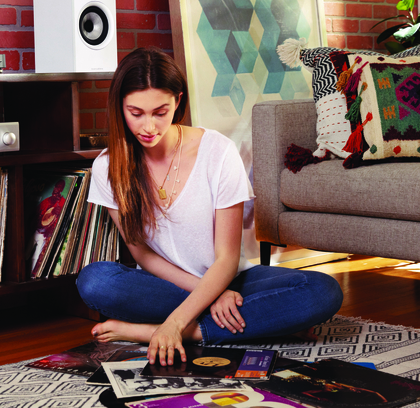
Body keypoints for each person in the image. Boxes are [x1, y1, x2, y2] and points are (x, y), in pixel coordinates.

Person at [76, 47, 343, 367]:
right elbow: (143, 256)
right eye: (136, 113)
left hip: (231, 278)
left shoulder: (217, 151)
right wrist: (211, 296)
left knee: (322, 290)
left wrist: (176, 324)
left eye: (160, 112)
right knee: (95, 281)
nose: (148, 126)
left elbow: (228, 258)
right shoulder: (109, 166)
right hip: (165, 285)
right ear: (120, 106)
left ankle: (161, 332)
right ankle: (257, 322)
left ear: (178, 100)